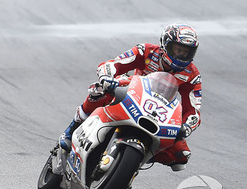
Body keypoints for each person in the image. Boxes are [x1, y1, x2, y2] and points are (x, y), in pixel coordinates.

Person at [58, 23, 202, 171]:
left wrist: (186, 127)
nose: (182, 56)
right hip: (132, 93)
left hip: (159, 112)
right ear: (165, 44)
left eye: (187, 52)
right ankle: (71, 130)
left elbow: (194, 111)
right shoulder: (146, 51)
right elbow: (115, 63)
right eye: (178, 50)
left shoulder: (192, 75)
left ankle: (138, 157)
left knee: (181, 155)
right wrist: (107, 76)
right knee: (99, 90)